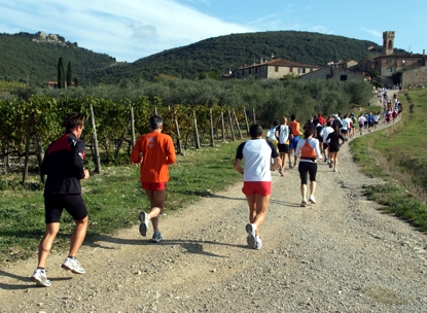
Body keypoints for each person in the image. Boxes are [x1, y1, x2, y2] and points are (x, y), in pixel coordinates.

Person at [31, 113, 90, 287]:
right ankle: (72, 258)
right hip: (69, 190)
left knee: (51, 231)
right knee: (82, 221)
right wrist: (82, 174)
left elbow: (44, 169)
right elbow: (76, 161)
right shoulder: (77, 143)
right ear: (78, 128)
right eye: (82, 128)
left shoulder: (53, 144)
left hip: (51, 191)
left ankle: (40, 270)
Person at [233, 124, 281, 250]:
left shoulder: (243, 145)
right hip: (263, 180)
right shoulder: (269, 144)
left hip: (248, 180)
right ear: (262, 134)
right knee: (262, 212)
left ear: (249, 134)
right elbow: (278, 163)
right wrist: (269, 168)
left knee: (252, 210)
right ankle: (254, 227)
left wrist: (243, 172)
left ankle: (256, 238)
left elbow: (236, 165)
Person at [131, 114, 176, 243]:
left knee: (153, 204)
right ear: (161, 126)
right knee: (159, 207)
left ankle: (156, 232)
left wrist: (141, 159)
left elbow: (134, 158)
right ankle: (147, 217)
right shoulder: (166, 138)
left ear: (150, 126)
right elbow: (172, 158)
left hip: (146, 176)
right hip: (159, 176)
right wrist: (164, 161)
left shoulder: (142, 139)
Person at [295, 125, 321, 207]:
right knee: (313, 179)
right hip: (312, 162)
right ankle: (311, 196)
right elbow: (317, 151)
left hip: (302, 162)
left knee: (303, 181)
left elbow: (296, 153)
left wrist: (300, 154)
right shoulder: (315, 141)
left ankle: (303, 199)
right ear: (312, 134)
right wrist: (320, 156)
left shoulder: (300, 141)